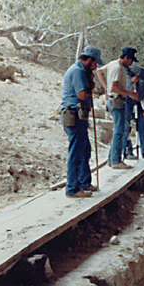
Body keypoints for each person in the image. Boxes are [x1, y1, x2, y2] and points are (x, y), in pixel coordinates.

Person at [60, 45, 103, 198]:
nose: (96, 65)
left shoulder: (82, 71)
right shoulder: (78, 71)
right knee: (76, 152)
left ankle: (84, 182)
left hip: (80, 115)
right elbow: (82, 95)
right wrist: (89, 86)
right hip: (74, 114)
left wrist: (90, 80)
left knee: (84, 149)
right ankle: (72, 188)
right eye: (95, 63)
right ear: (89, 60)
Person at [96, 47, 139, 169]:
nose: (131, 63)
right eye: (131, 60)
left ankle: (111, 159)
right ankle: (116, 161)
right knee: (119, 131)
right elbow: (114, 88)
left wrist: (105, 87)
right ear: (126, 57)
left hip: (114, 99)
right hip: (117, 100)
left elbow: (99, 72)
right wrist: (130, 93)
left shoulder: (112, 63)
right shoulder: (117, 68)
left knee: (119, 130)